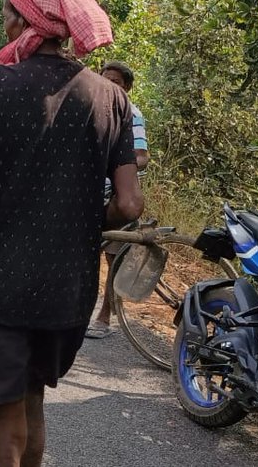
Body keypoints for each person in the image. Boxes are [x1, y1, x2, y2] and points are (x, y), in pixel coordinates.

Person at [0, 0, 142, 467]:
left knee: (5, 420)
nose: (3, 22)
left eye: (7, 12)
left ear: (24, 20)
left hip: (1, 282)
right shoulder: (112, 97)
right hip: (68, 287)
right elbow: (129, 205)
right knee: (32, 399)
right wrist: (81, 220)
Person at [87, 60, 151, 339]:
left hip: (116, 195)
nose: (109, 85)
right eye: (105, 79)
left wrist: (115, 167)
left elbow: (142, 157)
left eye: (116, 82)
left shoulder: (131, 114)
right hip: (89, 192)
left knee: (113, 257)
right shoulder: (91, 110)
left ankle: (105, 316)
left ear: (127, 88)